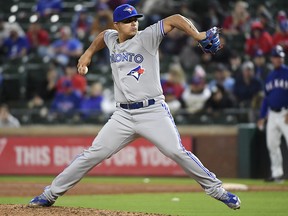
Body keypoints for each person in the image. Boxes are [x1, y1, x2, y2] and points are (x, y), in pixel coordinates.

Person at [28, 4, 241, 210]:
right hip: (122, 115)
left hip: (152, 111)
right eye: (128, 21)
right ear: (117, 25)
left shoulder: (146, 38)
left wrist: (198, 35)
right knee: (91, 155)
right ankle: (49, 195)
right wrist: (88, 53)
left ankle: (216, 189)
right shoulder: (112, 38)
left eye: (135, 20)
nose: (133, 24)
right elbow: (103, 36)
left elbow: (175, 19)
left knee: (176, 152)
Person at [257, 45, 288, 183]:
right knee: (272, 144)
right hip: (273, 115)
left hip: (286, 112)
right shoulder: (269, 77)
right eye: (276, 57)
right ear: (272, 59)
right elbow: (266, 99)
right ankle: (277, 174)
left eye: (280, 57)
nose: (279, 59)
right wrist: (262, 116)